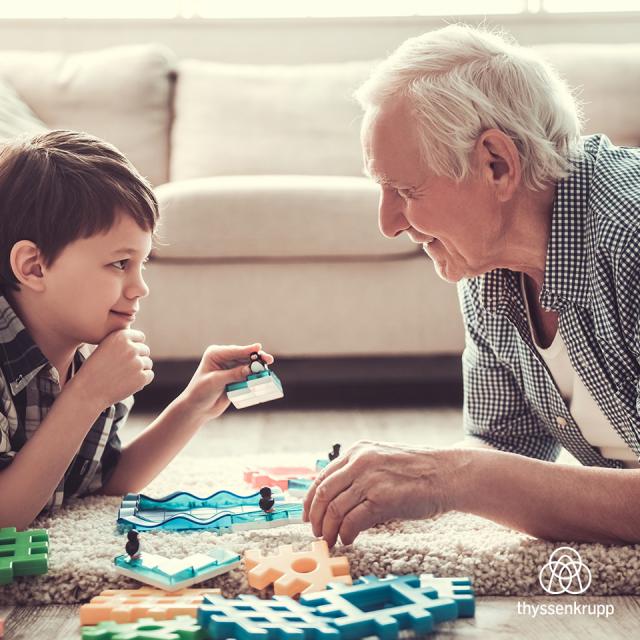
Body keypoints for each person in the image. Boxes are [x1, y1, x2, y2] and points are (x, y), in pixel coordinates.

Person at [303, 24, 640, 547]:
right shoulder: (485, 268)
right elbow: (503, 447)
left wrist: (451, 476)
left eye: (406, 190)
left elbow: (477, 475)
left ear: (497, 164)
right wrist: (405, 475)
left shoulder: (630, 236)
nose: (388, 223)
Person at [0, 129, 273, 529]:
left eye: (142, 263)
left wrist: (191, 407)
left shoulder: (95, 354)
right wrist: (86, 396)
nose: (140, 287)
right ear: (33, 267)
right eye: (119, 264)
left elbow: (104, 481)